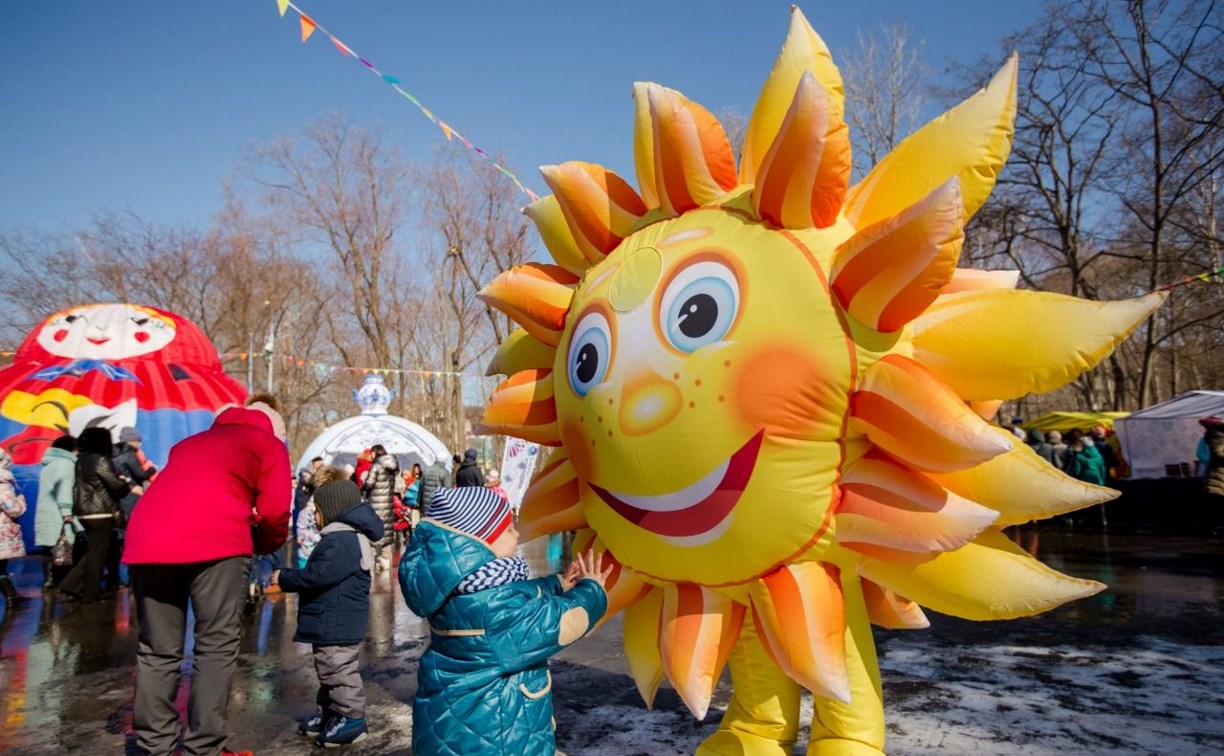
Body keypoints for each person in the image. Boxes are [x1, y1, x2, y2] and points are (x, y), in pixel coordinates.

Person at [123, 400, 292, 756]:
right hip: (217, 538)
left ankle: (155, 746)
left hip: (148, 537)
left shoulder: (190, 444)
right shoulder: (267, 444)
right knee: (215, 645)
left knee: (157, 648)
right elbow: (277, 510)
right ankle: (204, 747)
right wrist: (261, 545)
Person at [400, 487, 611, 756]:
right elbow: (555, 623)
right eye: (509, 529)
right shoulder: (492, 610)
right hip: (494, 740)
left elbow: (513, 597)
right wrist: (591, 591)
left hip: (460, 731)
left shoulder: (461, 587)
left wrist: (557, 584)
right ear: (481, 542)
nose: (517, 533)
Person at [272, 472, 384, 748]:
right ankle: (331, 714)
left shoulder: (341, 540)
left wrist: (285, 577)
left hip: (337, 621)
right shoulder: (338, 537)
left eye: (318, 512)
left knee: (338, 671)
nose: (315, 517)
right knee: (329, 672)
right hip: (331, 620)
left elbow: (318, 575)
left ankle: (351, 718)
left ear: (333, 512)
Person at [59, 427, 130, 604]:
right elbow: (115, 485)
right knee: (97, 555)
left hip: (85, 512)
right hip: (101, 513)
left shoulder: (81, 460)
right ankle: (90, 595)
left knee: (93, 552)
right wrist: (124, 483)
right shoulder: (100, 460)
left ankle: (71, 585)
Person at [34, 435, 78, 590]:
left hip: (46, 512)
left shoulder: (48, 465)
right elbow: (64, 488)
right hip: (59, 512)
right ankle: (61, 581)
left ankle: (49, 580)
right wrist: (67, 511)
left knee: (49, 547)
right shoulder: (65, 464)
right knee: (64, 547)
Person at [361, 444, 401, 571]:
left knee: (372, 535)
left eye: (372, 453)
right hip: (388, 505)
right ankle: (386, 562)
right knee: (387, 535)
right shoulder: (393, 466)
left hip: (375, 505)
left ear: (376, 453)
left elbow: (369, 483)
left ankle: (370, 565)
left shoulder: (376, 466)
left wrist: (363, 487)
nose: (371, 456)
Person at [0, 449, 30, 608]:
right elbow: (11, 508)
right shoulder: (3, 485)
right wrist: (20, 501)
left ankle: (11, 595)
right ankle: (11, 596)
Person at [1199, 416, 1224, 497]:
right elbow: (1217, 455)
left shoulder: (1216, 434)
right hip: (1217, 479)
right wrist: (1207, 460)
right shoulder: (1218, 435)